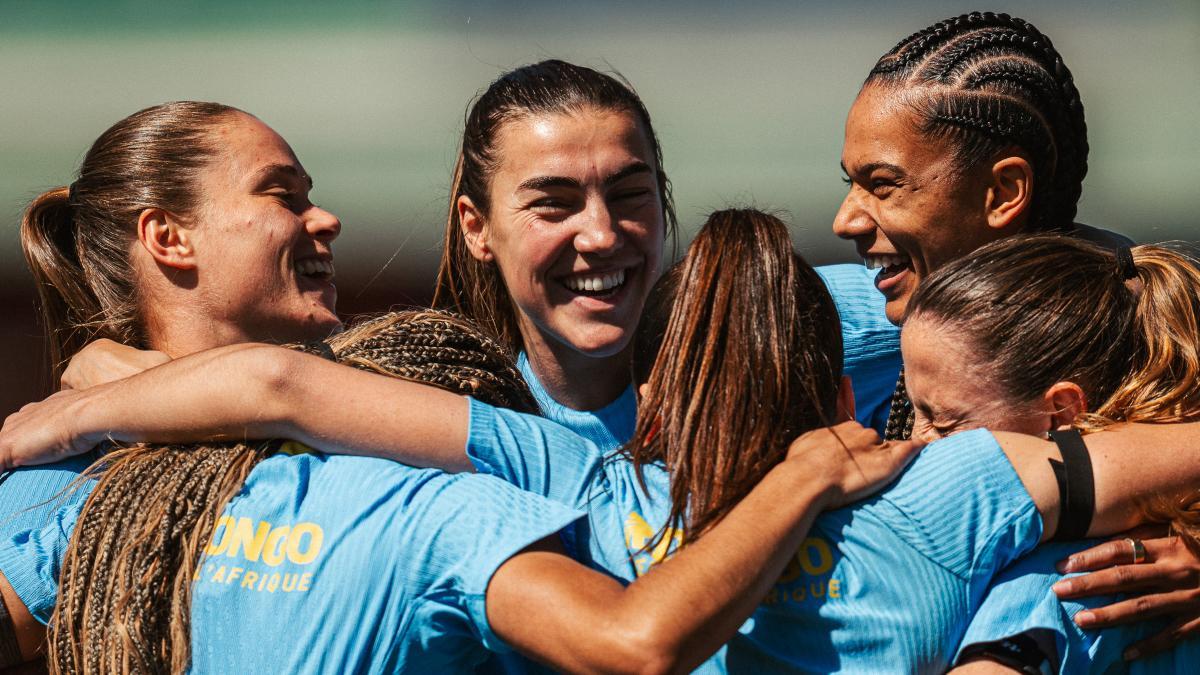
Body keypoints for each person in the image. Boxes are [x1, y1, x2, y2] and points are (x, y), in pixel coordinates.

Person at [9, 209, 1200, 673]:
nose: (917, 428)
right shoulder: (949, 497)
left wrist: (73, 405)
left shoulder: (558, 478)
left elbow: (283, 389)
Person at [0, 308, 911, 673]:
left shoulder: (167, 498)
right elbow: (634, 644)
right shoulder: (445, 514)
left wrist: (101, 391)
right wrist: (804, 474)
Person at [826, 10, 1200, 646]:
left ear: (1004, 191)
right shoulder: (856, 310)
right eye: (849, 183)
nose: (844, 221)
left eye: (884, 186)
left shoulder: (1153, 336)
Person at [0, 101, 342, 544]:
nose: (327, 220)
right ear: (168, 238)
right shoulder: (57, 487)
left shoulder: (369, 415)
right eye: (281, 195)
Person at [900, 235, 1200, 672]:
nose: (913, 443)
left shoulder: (1064, 578)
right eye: (912, 410)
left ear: (1060, 412)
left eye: (943, 422)